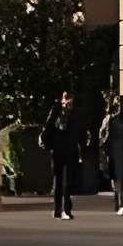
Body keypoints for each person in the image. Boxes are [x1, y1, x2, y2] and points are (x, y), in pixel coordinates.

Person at [40, 89, 86, 222]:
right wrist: (82, 148)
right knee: (67, 181)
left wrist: (46, 143)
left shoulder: (56, 109)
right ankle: (66, 209)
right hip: (70, 150)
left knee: (58, 180)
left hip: (57, 150)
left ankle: (57, 209)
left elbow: (48, 127)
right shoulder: (75, 112)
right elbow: (80, 132)